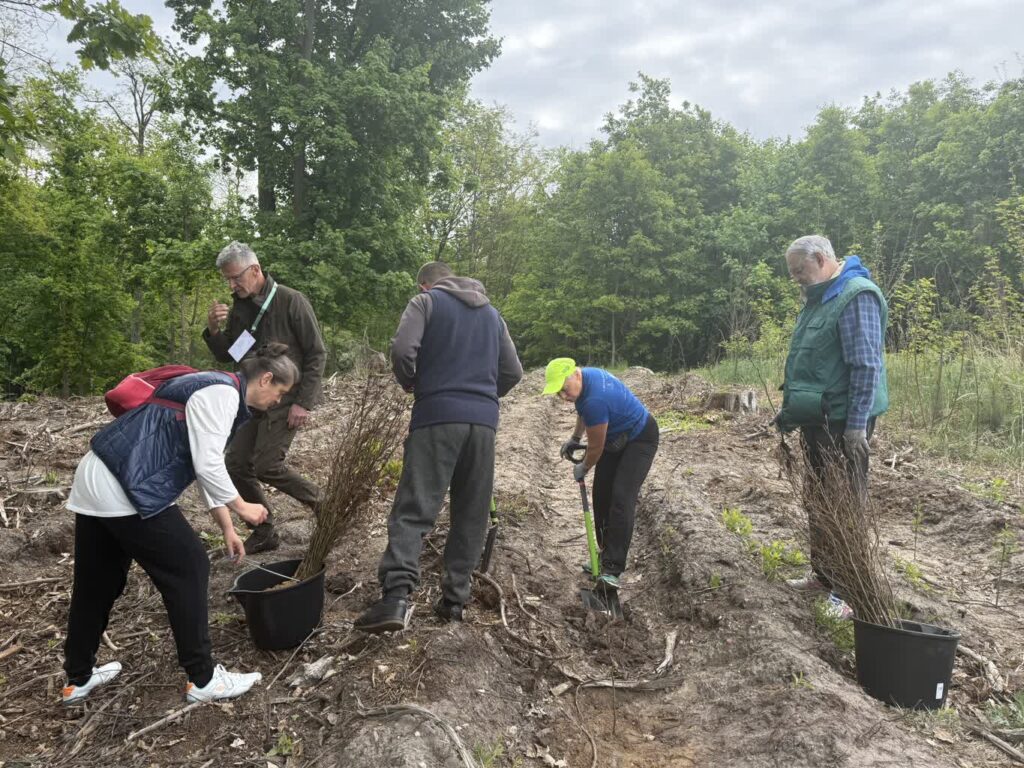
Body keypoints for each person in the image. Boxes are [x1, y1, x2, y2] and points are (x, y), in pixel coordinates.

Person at [61, 345, 300, 705]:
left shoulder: (210, 385)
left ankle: (77, 678)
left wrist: (226, 527)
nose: (277, 401)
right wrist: (243, 507)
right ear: (265, 379)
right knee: (190, 566)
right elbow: (207, 465)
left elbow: (203, 464)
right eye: (279, 393)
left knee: (97, 583)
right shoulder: (222, 394)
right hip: (128, 485)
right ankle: (203, 678)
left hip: (98, 475)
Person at [354, 262, 523, 633]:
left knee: (415, 508)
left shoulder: (425, 303)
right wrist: (481, 398)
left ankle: (396, 598)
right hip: (483, 424)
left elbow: (402, 350)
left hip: (436, 417)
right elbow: (513, 372)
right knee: (471, 513)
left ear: (426, 283)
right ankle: (454, 602)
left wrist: (413, 383)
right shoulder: (493, 316)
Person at [773, 235, 889, 620]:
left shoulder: (856, 296)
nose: (796, 280)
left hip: (843, 421)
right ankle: (824, 576)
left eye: (800, 272)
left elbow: (865, 366)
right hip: (818, 417)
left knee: (845, 503)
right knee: (818, 498)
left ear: (821, 259)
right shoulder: (820, 297)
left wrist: (856, 428)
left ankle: (849, 592)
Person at [203, 241, 327, 554]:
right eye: (227, 280)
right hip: (250, 398)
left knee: (267, 463)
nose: (232, 285)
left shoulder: (290, 301)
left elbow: (316, 353)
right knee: (235, 464)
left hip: (286, 397)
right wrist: (214, 330)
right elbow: (231, 354)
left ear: (255, 270)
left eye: (236, 278)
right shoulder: (240, 308)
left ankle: (326, 505)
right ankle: (264, 531)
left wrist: (304, 402)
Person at [542, 359, 659, 590]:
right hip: (618, 439)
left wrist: (584, 467)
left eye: (564, 390)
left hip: (640, 439)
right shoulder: (585, 381)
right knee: (602, 494)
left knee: (621, 498)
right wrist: (575, 438)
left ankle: (613, 569)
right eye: (558, 394)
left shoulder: (595, 399)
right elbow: (583, 412)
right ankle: (604, 554)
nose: (564, 397)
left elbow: (596, 447)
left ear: (575, 374)